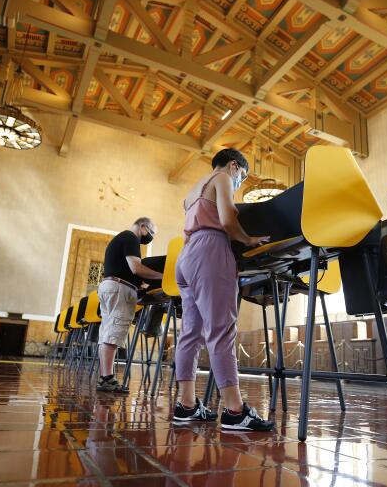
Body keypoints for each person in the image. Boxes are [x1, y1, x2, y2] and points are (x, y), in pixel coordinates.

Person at [172, 148, 274, 431]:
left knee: (190, 334)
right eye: (242, 176)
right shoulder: (222, 178)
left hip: (187, 257)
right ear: (234, 165)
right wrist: (249, 239)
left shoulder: (194, 190)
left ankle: (187, 406)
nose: (239, 182)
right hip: (210, 250)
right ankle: (234, 410)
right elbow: (228, 220)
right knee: (221, 330)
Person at [96, 217, 163, 392]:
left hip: (109, 286)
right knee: (114, 332)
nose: (151, 237)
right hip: (119, 289)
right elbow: (136, 268)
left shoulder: (122, 238)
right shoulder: (131, 238)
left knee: (107, 333)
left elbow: (128, 270)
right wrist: (163, 276)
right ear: (142, 227)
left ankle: (105, 377)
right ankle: (107, 378)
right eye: (151, 233)